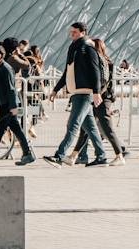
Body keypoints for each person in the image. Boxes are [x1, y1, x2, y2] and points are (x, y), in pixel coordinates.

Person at [44, 21, 107, 166]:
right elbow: (68, 71)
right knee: (91, 128)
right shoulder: (74, 48)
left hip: (84, 93)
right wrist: (55, 89)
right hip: (77, 92)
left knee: (73, 124)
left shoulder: (87, 48)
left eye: (74, 32)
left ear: (83, 33)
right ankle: (101, 156)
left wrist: (96, 92)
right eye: (70, 32)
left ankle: (59, 156)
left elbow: (95, 71)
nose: (71, 34)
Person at [0, 44, 36, 166]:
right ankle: (27, 154)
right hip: (5, 104)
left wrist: (13, 107)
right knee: (15, 130)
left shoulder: (5, 69)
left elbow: (11, 89)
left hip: (9, 105)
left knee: (0, 131)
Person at [76, 36, 126, 166]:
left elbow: (103, 82)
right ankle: (75, 155)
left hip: (102, 99)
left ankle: (120, 154)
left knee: (105, 127)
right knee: (86, 127)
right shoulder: (105, 61)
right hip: (101, 98)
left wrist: (96, 95)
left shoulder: (103, 63)